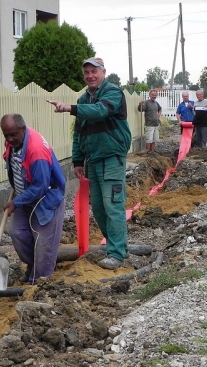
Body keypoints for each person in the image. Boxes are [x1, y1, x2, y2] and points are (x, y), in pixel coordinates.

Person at [46, 57, 131, 270]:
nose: (90, 76)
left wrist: (69, 108)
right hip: (93, 161)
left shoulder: (113, 93)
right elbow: (79, 133)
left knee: (113, 206)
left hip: (112, 158)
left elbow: (101, 111)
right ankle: (115, 246)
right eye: (86, 72)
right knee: (100, 210)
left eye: (94, 71)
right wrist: (77, 160)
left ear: (103, 72)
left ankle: (117, 254)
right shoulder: (84, 99)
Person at [0, 113, 66, 284]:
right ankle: (33, 266)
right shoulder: (13, 142)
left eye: (13, 134)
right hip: (25, 196)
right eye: (6, 135)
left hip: (46, 199)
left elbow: (40, 187)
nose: (9, 139)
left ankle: (39, 282)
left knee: (43, 245)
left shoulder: (36, 151)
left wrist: (16, 202)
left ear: (23, 129)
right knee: (17, 234)